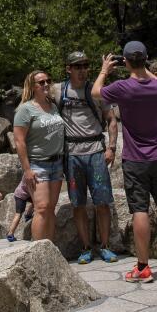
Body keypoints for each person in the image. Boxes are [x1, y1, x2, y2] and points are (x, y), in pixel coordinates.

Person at [93, 41, 157, 283]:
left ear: (125, 61)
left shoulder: (122, 87)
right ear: (146, 60)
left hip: (135, 159)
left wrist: (104, 70)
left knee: (139, 210)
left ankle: (143, 267)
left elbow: (95, 93)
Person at [57, 50, 119, 264]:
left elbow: (111, 120)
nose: (82, 70)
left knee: (102, 202)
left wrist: (111, 147)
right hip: (72, 154)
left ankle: (105, 246)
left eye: (85, 66)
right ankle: (85, 248)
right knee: (78, 204)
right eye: (77, 66)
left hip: (96, 152)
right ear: (69, 69)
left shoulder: (97, 91)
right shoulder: (59, 91)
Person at [12, 69, 65, 243]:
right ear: (32, 86)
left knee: (50, 209)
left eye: (48, 81)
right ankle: (38, 251)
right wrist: (27, 170)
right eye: (41, 82)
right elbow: (19, 142)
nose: (46, 84)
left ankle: (50, 250)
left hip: (56, 163)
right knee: (41, 208)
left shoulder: (53, 106)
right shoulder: (25, 109)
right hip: (37, 165)